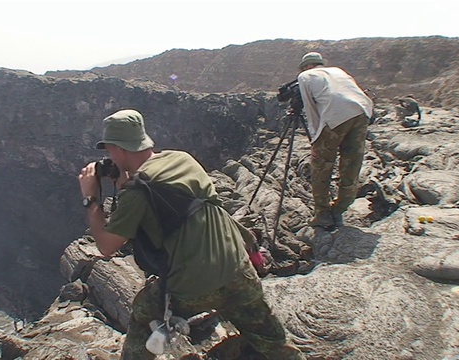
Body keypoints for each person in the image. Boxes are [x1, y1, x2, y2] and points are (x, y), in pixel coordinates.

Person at [78, 109, 305, 359]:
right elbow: (163, 193)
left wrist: (90, 198)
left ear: (117, 148)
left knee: (143, 313)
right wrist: (125, 180)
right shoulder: (182, 159)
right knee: (274, 343)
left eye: (109, 149)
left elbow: (107, 246)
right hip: (238, 271)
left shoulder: (136, 192)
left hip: (192, 289)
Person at [297, 52, 373, 229]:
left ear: (306, 66)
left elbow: (310, 108)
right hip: (362, 112)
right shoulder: (337, 70)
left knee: (321, 166)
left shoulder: (305, 76)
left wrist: (316, 136)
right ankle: (340, 208)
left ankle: (323, 214)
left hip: (335, 116)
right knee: (351, 163)